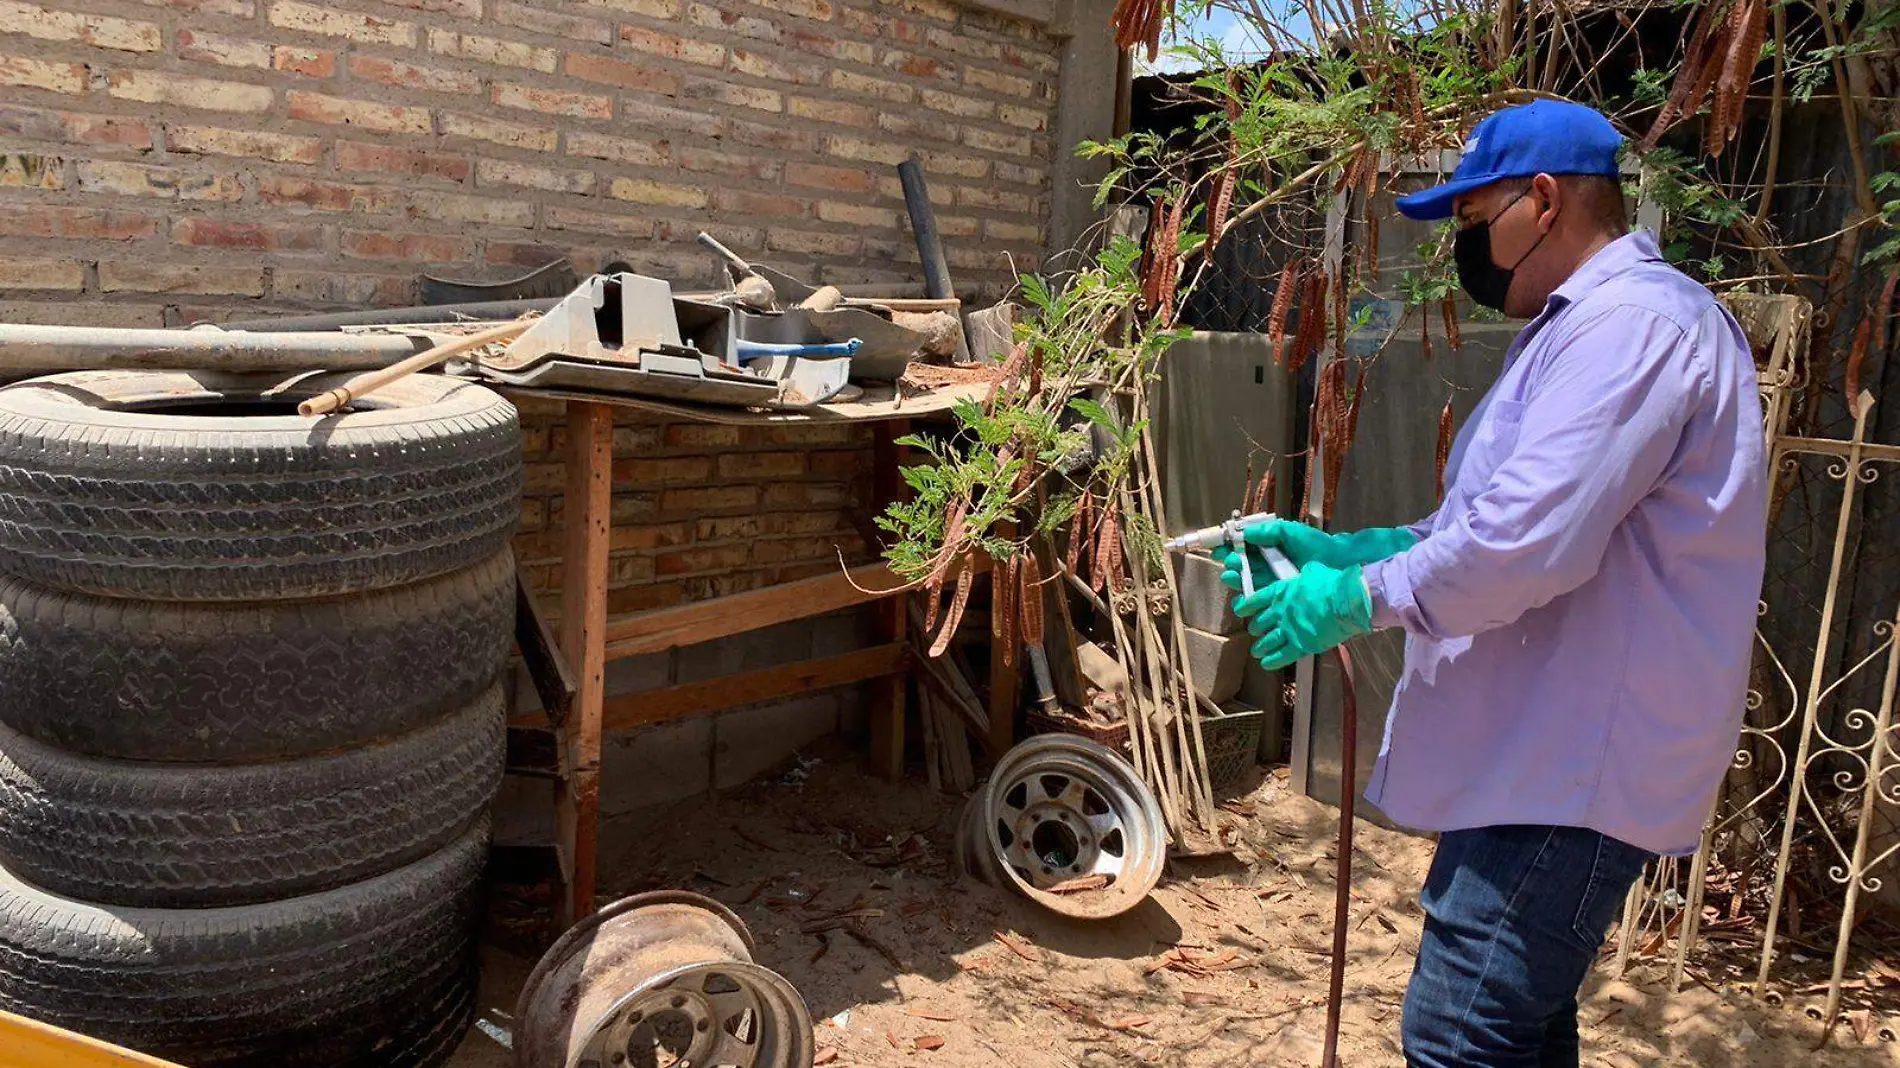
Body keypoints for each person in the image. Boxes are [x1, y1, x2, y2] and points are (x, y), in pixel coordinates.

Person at [1217, 100, 1767, 1066]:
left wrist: (1358, 600)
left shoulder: (1633, 329)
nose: (1463, 250)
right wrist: (1349, 552)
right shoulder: (1577, 329)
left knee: (1463, 1029)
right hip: (1544, 750)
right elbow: (1481, 524)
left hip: (1575, 763)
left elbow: (1522, 546)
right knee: (1518, 1024)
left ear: (1544, 202)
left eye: (1474, 222)